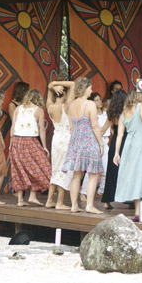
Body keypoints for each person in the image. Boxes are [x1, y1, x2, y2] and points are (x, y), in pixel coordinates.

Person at [62, 77, 104, 214]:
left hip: (76, 141)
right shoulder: (90, 104)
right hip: (89, 140)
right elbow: (95, 125)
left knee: (76, 174)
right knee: (93, 174)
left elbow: (71, 126)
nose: (91, 90)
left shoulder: (71, 105)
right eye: (90, 88)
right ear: (85, 88)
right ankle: (89, 205)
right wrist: (101, 143)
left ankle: (74, 205)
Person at [113, 90, 142, 220]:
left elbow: (120, 134)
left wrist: (117, 153)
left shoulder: (124, 113)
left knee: (135, 175)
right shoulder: (140, 106)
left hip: (129, 145)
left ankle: (138, 209)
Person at [10, 89, 52, 207]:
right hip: (31, 141)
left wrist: (10, 144)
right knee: (39, 167)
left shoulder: (18, 109)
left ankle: (20, 200)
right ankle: (32, 196)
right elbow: (42, 130)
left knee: (19, 170)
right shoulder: (38, 110)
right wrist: (44, 146)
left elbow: (12, 128)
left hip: (17, 141)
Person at [45, 78, 75, 210]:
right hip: (66, 140)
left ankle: (49, 200)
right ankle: (60, 202)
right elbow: (73, 84)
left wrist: (52, 86)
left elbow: (48, 90)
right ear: (65, 93)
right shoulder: (67, 106)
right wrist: (58, 85)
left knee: (55, 169)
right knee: (64, 170)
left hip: (56, 139)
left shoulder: (49, 106)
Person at [101, 89, 127, 209]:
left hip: (114, 142)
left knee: (112, 171)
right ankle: (130, 200)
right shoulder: (127, 113)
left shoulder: (111, 114)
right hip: (126, 142)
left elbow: (103, 130)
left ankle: (107, 200)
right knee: (127, 171)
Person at [81, 92, 110, 198]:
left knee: (106, 169)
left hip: (105, 142)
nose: (99, 102)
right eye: (96, 100)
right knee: (91, 170)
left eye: (100, 99)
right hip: (94, 143)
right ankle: (83, 192)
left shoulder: (106, 114)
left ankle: (101, 191)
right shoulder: (90, 114)